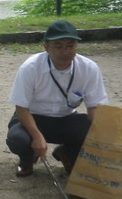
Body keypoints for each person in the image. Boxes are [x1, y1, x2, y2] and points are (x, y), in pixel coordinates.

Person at [6, 20, 108, 176]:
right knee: (17, 139)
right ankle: (27, 158)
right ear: (46, 47)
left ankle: (67, 153)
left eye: (70, 46)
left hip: (66, 118)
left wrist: (102, 136)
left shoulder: (89, 68)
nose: (65, 51)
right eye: (58, 46)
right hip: (33, 117)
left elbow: (94, 106)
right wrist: (37, 135)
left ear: (76, 47)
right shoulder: (30, 67)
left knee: (94, 132)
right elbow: (21, 108)